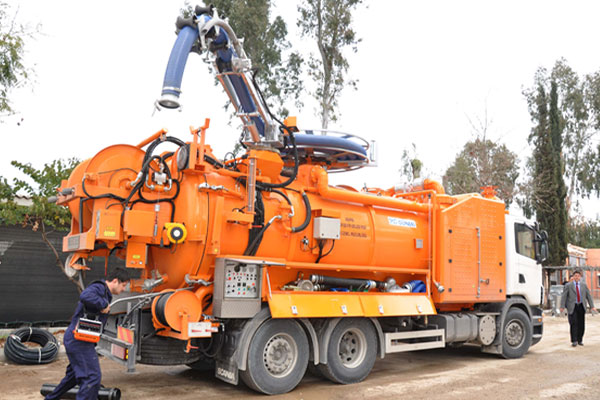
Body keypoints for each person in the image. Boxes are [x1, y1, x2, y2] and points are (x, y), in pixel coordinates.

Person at [45, 267, 129, 400]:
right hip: (79, 341)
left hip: (79, 340)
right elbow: (85, 295)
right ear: (115, 281)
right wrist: (103, 304)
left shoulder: (105, 293)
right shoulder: (99, 288)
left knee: (73, 377)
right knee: (92, 377)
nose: (124, 289)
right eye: (123, 285)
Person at [560, 269, 596, 347]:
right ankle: (574, 340)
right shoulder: (568, 285)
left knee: (581, 324)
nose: (576, 277)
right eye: (575, 276)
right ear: (573, 277)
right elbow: (564, 296)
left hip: (581, 306)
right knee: (574, 323)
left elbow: (588, 296)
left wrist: (592, 306)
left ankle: (580, 340)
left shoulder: (584, 285)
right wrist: (562, 306)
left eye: (578, 276)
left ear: (580, 277)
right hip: (573, 306)